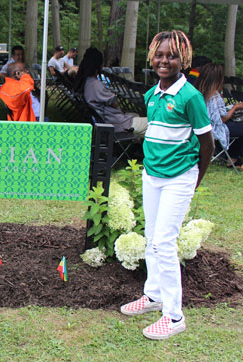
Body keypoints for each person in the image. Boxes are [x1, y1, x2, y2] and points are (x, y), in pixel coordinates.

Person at [120, 30, 214, 340]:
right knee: (151, 237)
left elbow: (207, 143)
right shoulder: (151, 96)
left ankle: (174, 317)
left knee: (164, 242)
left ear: (182, 59)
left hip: (179, 178)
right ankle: (154, 295)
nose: (164, 60)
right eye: (159, 54)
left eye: (171, 55)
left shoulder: (191, 97)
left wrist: (195, 179)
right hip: (153, 176)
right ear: (152, 57)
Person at [73, 47, 148, 137]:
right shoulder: (95, 85)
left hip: (107, 121)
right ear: (98, 65)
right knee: (152, 123)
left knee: (135, 114)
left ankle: (135, 146)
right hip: (117, 124)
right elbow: (115, 103)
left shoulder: (84, 82)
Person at [195, 63, 243, 169]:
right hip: (214, 130)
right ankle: (233, 159)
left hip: (202, 128)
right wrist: (235, 108)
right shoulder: (213, 96)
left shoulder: (197, 92)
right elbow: (222, 119)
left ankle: (231, 157)